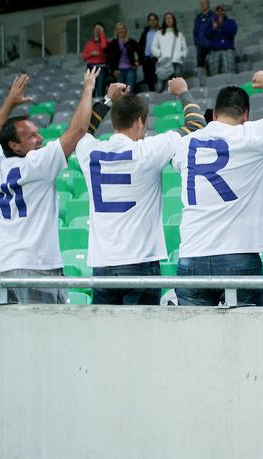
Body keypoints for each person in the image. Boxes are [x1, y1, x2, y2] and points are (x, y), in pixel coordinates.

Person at [171, 69, 263, 306]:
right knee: (244, 338)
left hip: (192, 254)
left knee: (193, 338)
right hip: (238, 255)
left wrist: (184, 93)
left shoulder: (186, 144)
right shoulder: (253, 135)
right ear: (245, 114)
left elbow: (194, 124)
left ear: (214, 114)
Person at [74, 78, 205, 305]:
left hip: (102, 264)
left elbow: (81, 131)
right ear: (139, 122)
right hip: (140, 262)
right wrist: (183, 92)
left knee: (105, 337)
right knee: (142, 338)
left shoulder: (90, 153)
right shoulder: (148, 150)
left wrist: (107, 100)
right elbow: (196, 126)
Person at [0, 68, 101, 304]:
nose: (40, 139)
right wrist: (88, 88)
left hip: (3, 268)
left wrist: (10, 102)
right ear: (15, 146)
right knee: (44, 337)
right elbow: (78, 130)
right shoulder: (36, 164)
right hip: (36, 267)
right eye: (32, 137)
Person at [151, 12, 188, 93]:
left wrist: (180, 55)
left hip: (177, 63)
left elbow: (184, 49)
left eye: (170, 18)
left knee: (176, 88)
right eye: (167, 18)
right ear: (164, 20)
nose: (169, 20)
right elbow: (153, 48)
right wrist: (160, 54)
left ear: (173, 20)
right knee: (160, 87)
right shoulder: (159, 33)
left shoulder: (179, 34)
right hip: (163, 63)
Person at [204, 4, 237, 75]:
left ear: (225, 12)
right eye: (218, 11)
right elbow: (206, 35)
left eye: (222, 10)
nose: (220, 12)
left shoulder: (231, 22)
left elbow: (231, 34)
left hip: (227, 50)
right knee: (214, 72)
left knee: (229, 70)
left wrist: (222, 25)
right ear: (215, 12)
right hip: (214, 51)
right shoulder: (210, 23)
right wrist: (213, 29)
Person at [107, 22, 139, 92]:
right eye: (118, 29)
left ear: (125, 30)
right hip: (118, 70)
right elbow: (109, 58)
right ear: (116, 31)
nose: (120, 31)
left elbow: (140, 53)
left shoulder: (132, 42)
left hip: (130, 69)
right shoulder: (113, 43)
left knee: (129, 90)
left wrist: (137, 61)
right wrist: (113, 70)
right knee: (120, 92)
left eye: (122, 28)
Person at [81, 22, 109, 98]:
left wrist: (102, 34)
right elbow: (84, 56)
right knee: (90, 90)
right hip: (90, 67)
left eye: (99, 29)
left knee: (100, 90)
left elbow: (104, 46)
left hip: (101, 67)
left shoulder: (105, 41)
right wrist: (91, 53)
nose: (97, 30)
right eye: (95, 29)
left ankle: (99, 108)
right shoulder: (89, 43)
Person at [193, 0, 214, 84]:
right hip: (200, 46)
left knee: (211, 65)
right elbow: (195, 32)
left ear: (208, 4)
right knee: (200, 65)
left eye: (204, 3)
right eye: (201, 4)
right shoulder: (198, 18)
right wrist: (196, 42)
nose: (202, 5)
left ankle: (213, 81)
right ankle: (202, 83)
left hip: (210, 45)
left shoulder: (213, 16)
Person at [138, 13, 159, 92]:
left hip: (157, 58)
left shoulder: (161, 31)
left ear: (157, 21)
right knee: (149, 81)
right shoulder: (145, 33)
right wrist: (141, 59)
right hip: (147, 59)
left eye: (154, 20)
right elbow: (140, 46)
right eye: (150, 20)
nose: (152, 22)